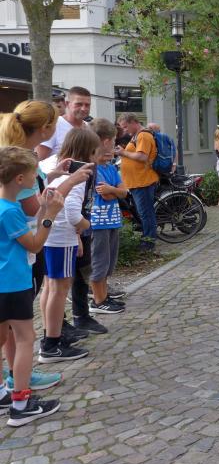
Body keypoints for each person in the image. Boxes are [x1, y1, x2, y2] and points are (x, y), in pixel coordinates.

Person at [0, 101, 95, 393]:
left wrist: (52, 176)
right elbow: (36, 207)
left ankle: (16, 377)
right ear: (46, 128)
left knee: (13, 326)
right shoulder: (21, 160)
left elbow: (34, 191)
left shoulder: (19, 156)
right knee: (19, 327)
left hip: (20, 253)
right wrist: (70, 181)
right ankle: (18, 382)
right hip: (23, 254)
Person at [0, 147, 64, 426]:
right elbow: (36, 244)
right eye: (32, 175)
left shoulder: (5, 207)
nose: (35, 180)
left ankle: (3, 395)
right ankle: (21, 404)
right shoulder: (9, 212)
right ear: (20, 180)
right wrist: (51, 215)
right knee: (26, 339)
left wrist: (44, 209)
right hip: (13, 284)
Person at [39, 128, 100, 363]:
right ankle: (52, 344)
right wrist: (86, 225)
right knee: (59, 289)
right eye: (94, 152)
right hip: (61, 237)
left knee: (49, 287)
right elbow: (73, 213)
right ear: (87, 152)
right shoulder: (77, 176)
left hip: (49, 235)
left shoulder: (55, 167)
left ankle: (50, 335)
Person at [86, 119, 128, 320]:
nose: (115, 145)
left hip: (112, 220)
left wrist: (114, 190)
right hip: (98, 222)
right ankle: (98, 300)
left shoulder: (110, 168)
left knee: (109, 261)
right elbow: (107, 194)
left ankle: (104, 295)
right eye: (113, 141)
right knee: (99, 261)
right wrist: (114, 191)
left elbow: (123, 191)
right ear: (105, 141)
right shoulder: (93, 169)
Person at [116, 113, 158, 252]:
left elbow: (142, 156)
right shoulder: (136, 136)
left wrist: (123, 153)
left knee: (146, 213)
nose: (124, 130)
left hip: (143, 181)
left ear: (133, 122)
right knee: (143, 212)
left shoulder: (143, 135)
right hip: (137, 181)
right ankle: (147, 239)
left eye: (125, 127)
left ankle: (149, 242)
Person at [35, 86, 91, 160]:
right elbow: (38, 161)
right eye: (79, 104)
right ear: (67, 104)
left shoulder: (90, 128)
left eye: (87, 105)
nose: (83, 108)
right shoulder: (53, 125)